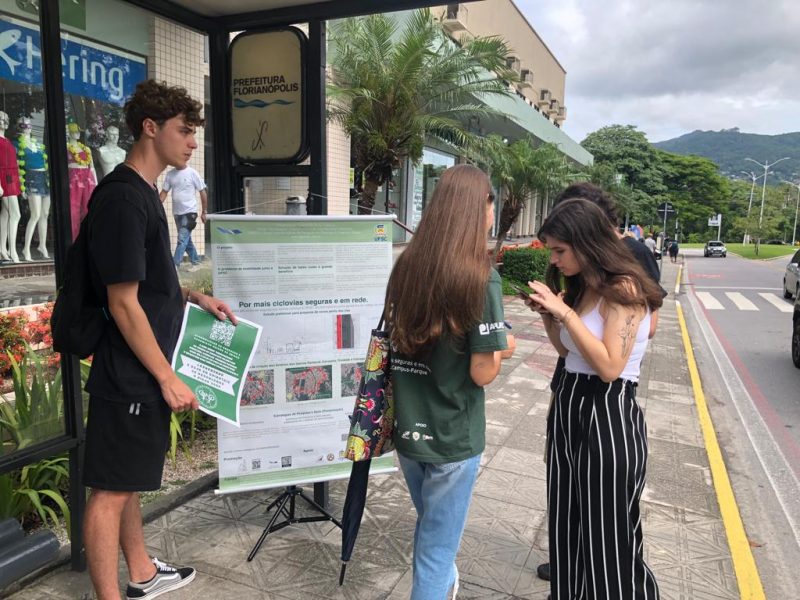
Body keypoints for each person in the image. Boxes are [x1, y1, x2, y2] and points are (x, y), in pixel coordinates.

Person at [82, 79, 237, 600]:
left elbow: (145, 284)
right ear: (150, 128)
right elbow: (123, 302)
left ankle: (143, 572)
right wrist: (167, 376)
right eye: (185, 131)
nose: (193, 143)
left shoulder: (146, 193)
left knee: (123, 481)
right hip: (130, 372)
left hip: (137, 370)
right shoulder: (124, 199)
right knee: (109, 491)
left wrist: (194, 299)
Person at [386, 164, 514, 599]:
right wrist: (500, 346)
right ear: (480, 210)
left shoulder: (407, 268)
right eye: (491, 202)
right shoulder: (482, 276)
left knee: (432, 532)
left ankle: (446, 585)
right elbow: (482, 371)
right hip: (453, 437)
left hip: (408, 432)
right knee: (437, 551)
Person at [527, 198, 663, 600]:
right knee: (566, 520)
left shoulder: (625, 289)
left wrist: (564, 314)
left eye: (559, 250)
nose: (554, 260)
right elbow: (570, 354)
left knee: (607, 534)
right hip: (569, 403)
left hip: (608, 412)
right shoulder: (584, 286)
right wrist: (549, 315)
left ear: (586, 242)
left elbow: (609, 367)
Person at [159, 164, 207, 269]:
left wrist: (204, 211)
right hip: (177, 213)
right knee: (186, 240)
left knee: (181, 239)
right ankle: (196, 262)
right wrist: (155, 206)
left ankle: (174, 266)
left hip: (190, 213)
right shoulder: (170, 174)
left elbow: (202, 192)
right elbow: (164, 192)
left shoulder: (192, 173)